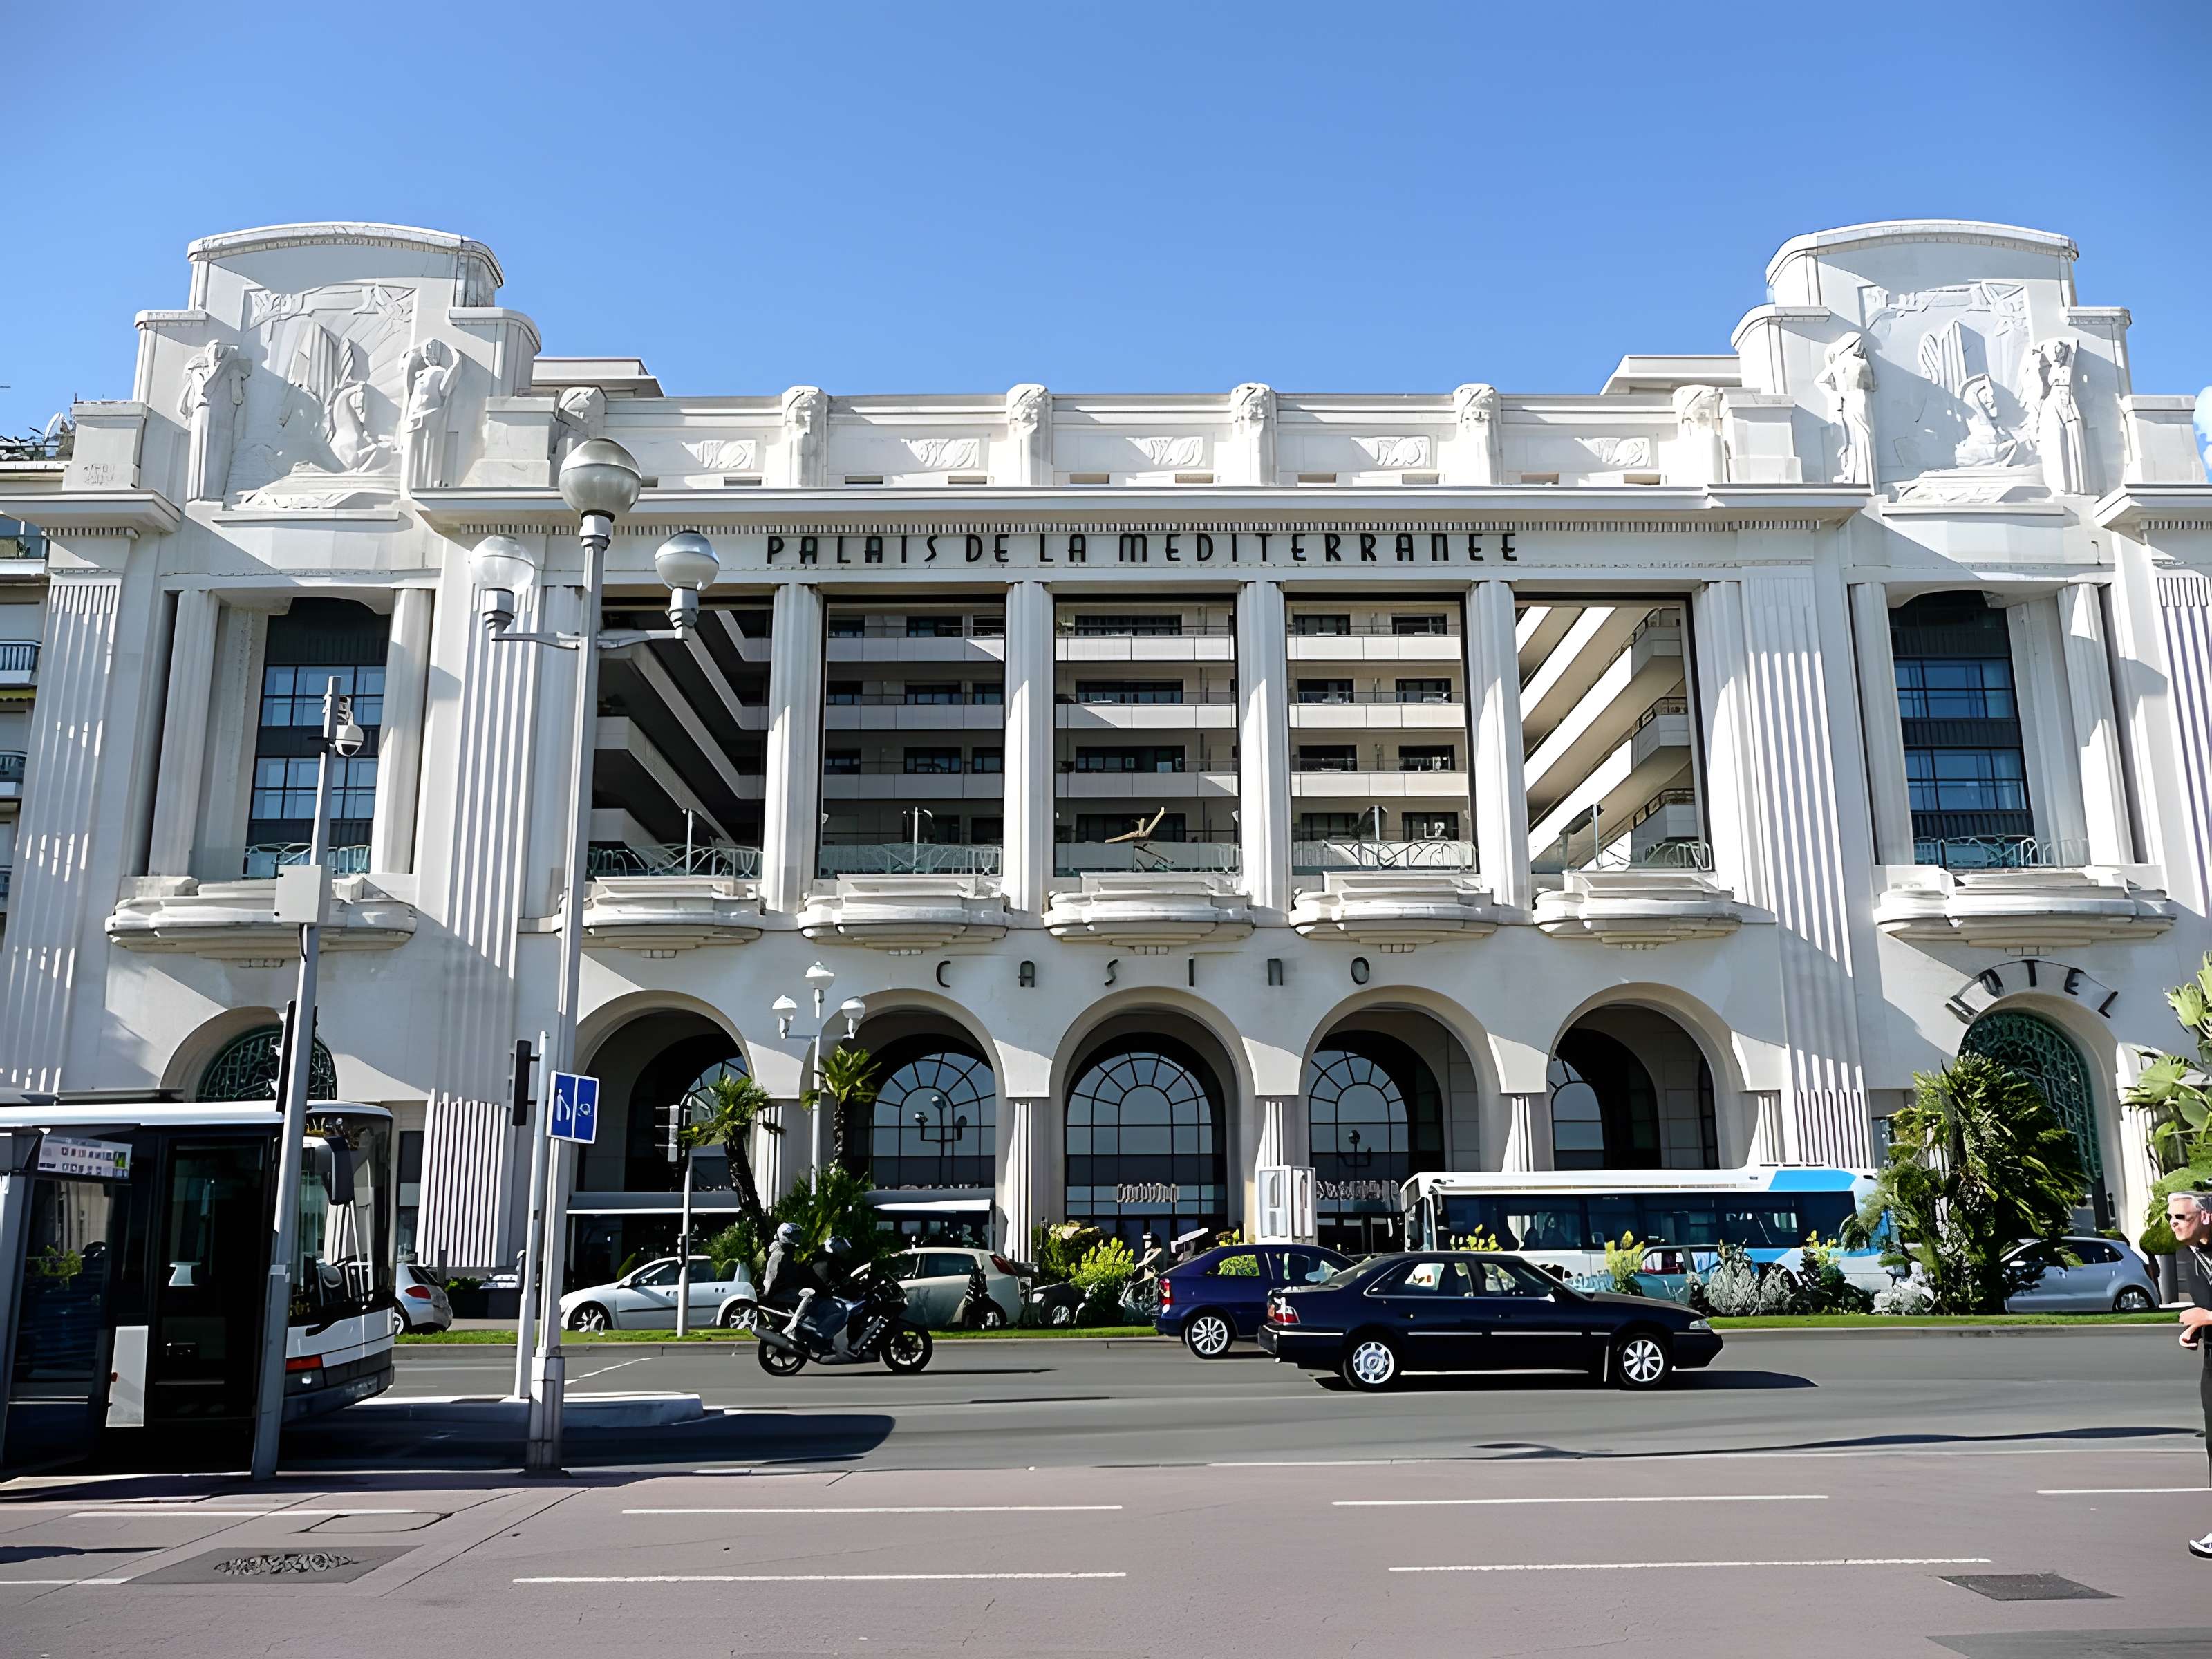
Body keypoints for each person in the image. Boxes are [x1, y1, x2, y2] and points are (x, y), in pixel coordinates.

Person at [2168, 1183, 2212, 1559]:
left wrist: (2206, 1317)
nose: (2172, 1224)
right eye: (2170, 1218)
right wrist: (2195, 1330)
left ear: (2205, 1217)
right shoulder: (2191, 1253)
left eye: (2180, 1217)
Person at [759, 1221, 822, 1338]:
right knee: (810, 1297)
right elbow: (770, 1277)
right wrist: (766, 1293)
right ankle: (794, 1326)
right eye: (793, 1235)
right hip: (782, 1293)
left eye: (798, 1235)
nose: (797, 1238)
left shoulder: (791, 1253)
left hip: (788, 1291)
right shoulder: (779, 1254)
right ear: (785, 1236)